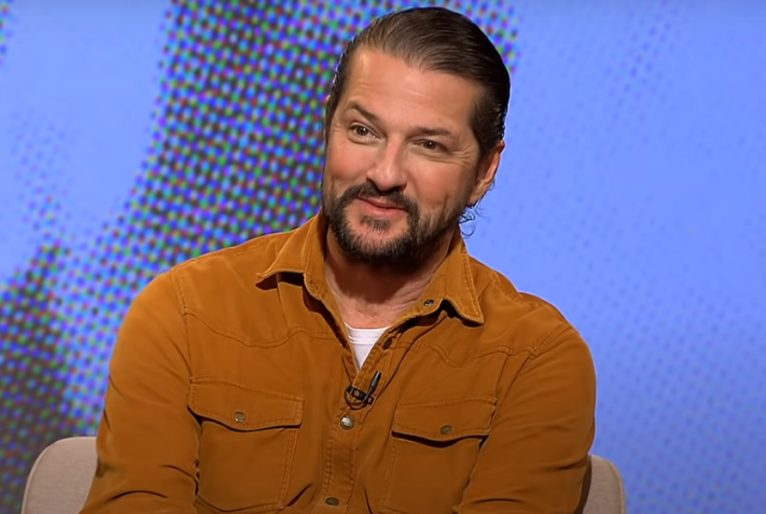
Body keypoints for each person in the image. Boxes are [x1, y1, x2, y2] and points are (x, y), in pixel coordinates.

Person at [81, 6, 595, 514]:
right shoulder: (184, 313)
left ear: (484, 171)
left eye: (429, 145)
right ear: (328, 125)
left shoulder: (536, 359)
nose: (385, 174)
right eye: (363, 131)